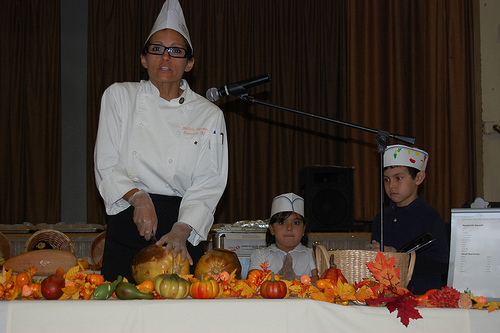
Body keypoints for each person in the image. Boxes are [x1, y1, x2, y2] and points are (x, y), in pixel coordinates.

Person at [94, 0, 228, 283]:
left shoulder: (208, 114)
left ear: (189, 63)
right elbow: (106, 162)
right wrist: (139, 198)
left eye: (175, 51)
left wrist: (181, 230)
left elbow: (209, 182)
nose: (165, 58)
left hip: (181, 227)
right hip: (130, 216)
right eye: (157, 49)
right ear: (144, 59)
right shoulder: (119, 97)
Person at [368, 145, 449, 295]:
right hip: (385, 297)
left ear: (419, 178)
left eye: (398, 178)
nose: (391, 185)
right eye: (386, 180)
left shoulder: (430, 217)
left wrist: (398, 256)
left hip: (421, 298)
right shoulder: (381, 217)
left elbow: (441, 264)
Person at [248, 193, 319, 282]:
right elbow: (253, 281)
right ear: (272, 229)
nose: (289, 228)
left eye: (296, 223)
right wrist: (278, 278)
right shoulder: (260, 255)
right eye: (282, 222)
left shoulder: (312, 254)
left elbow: (319, 280)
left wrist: (296, 280)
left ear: (304, 229)